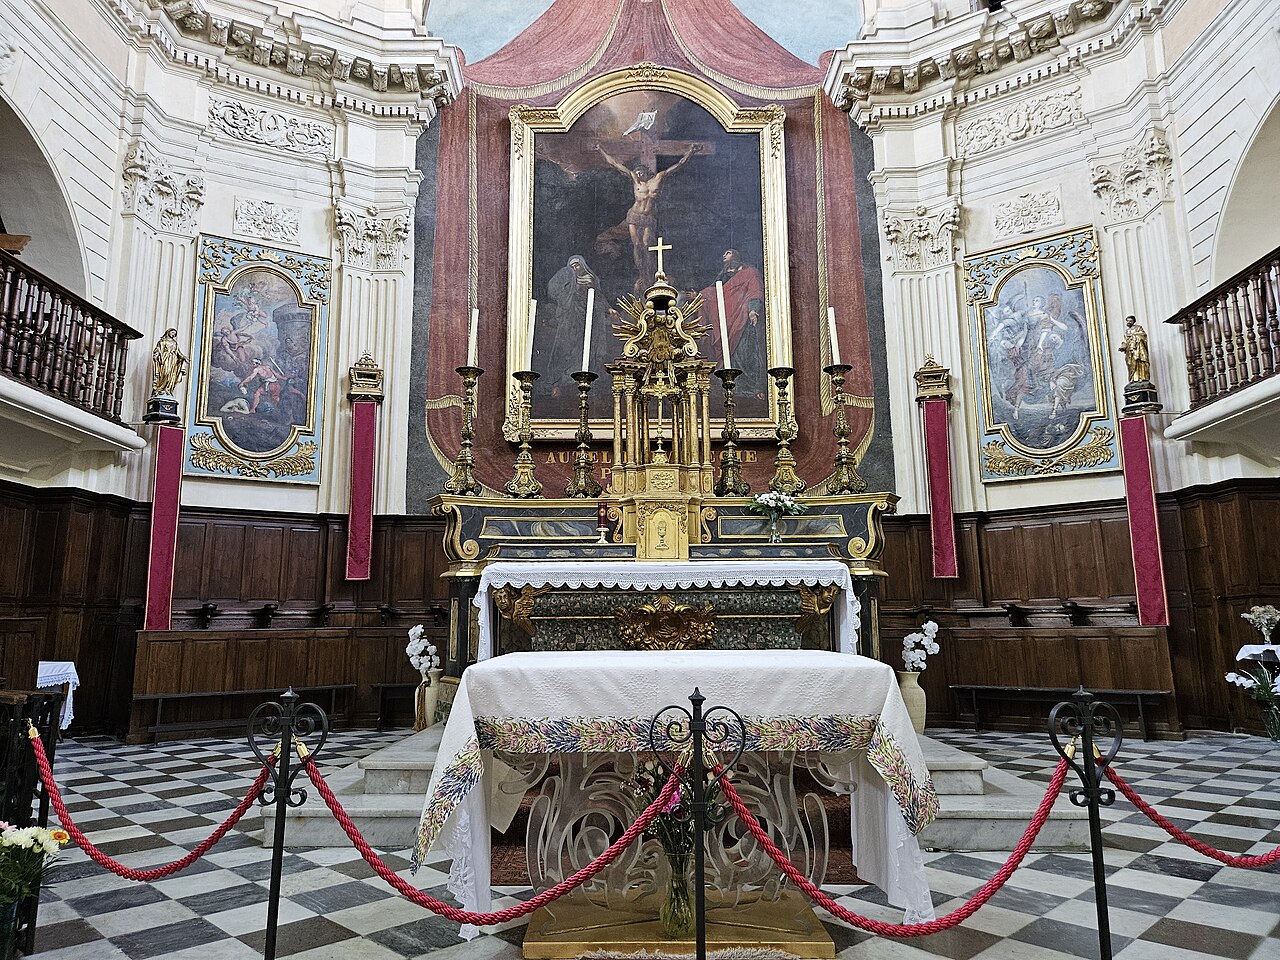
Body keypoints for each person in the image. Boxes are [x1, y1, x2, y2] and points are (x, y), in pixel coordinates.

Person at [594, 142, 698, 278]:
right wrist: (601, 150)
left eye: (639, 172)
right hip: (634, 215)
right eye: (636, 172)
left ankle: (649, 274)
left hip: (648, 217)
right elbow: (615, 164)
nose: (637, 174)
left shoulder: (658, 178)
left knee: (647, 245)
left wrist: (690, 153)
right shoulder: (636, 181)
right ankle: (641, 273)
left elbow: (677, 166)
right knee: (637, 244)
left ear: (646, 172)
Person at [699, 249, 766, 403]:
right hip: (726, 322)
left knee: (745, 353)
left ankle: (754, 388)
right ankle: (731, 388)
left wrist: (753, 309)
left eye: (728, 253)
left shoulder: (750, 272)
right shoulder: (723, 278)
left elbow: (755, 290)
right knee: (730, 355)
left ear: (736, 256)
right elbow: (715, 293)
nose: (724, 255)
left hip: (742, 321)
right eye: (723, 254)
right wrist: (699, 297)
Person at [150, 328, 188, 397]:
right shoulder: (162, 341)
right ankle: (160, 388)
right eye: (172, 332)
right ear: (168, 332)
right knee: (165, 373)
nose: (173, 334)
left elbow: (178, 353)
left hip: (173, 360)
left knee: (171, 375)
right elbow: (158, 349)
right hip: (165, 359)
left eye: (174, 333)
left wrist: (184, 357)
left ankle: (167, 389)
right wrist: (157, 354)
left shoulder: (174, 343)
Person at [1119, 314, 1151, 383]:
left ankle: (1142, 378)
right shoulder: (1127, 331)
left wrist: (1134, 336)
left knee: (1140, 362)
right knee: (1130, 363)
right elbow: (1125, 341)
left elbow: (1143, 335)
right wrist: (1123, 347)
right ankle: (1133, 378)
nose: (1128, 322)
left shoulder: (1138, 328)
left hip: (1138, 349)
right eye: (1127, 321)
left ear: (1133, 321)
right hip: (1130, 351)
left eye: (1130, 321)